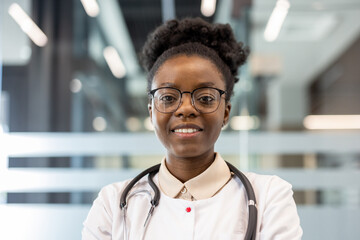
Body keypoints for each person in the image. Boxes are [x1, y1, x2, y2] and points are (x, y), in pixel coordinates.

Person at [82, 18, 303, 240]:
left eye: (205, 98)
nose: (186, 109)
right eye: (168, 98)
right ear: (151, 112)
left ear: (225, 112)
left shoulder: (270, 197)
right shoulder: (112, 204)